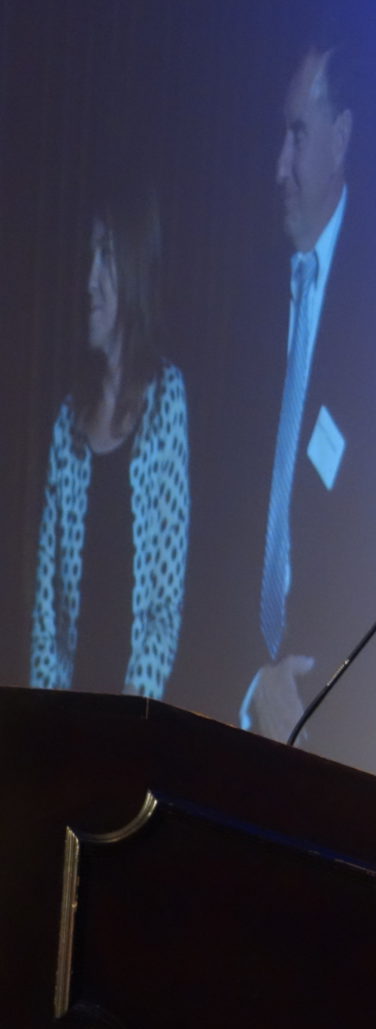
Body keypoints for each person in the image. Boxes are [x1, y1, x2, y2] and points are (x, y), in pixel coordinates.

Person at [31, 196, 190, 697]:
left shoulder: (166, 399)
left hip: (134, 726)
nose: (89, 281)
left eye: (106, 256)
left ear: (135, 269)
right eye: (89, 257)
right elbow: (45, 617)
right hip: (68, 725)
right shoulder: (68, 424)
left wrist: (128, 726)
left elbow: (165, 605)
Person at [243, 43, 355, 739]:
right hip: (238, 693)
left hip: (346, 714)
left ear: (341, 137)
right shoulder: (251, 292)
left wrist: (305, 680)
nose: (277, 169)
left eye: (297, 135)